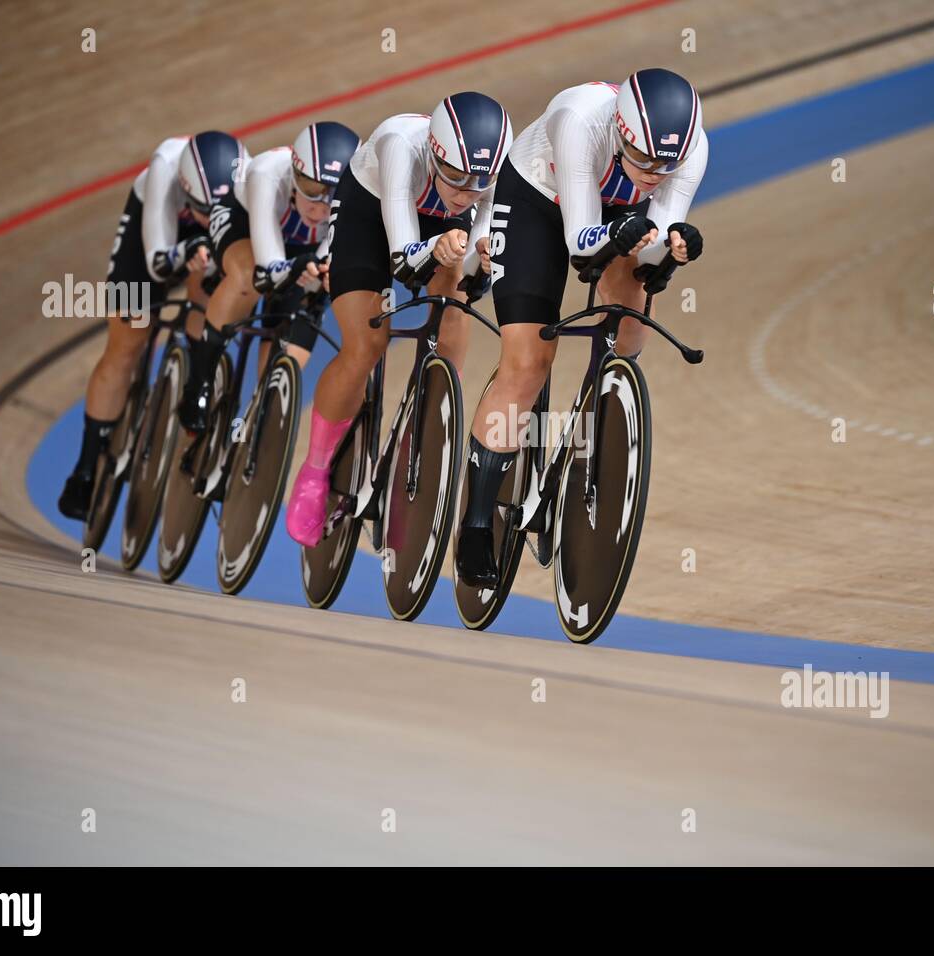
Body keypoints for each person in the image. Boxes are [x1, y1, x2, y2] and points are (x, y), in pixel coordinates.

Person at [454, 69, 708, 587]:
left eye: (667, 167)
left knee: (631, 333)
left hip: (615, 213)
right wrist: (629, 233)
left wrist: (673, 248)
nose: (656, 175)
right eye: (643, 161)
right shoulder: (579, 122)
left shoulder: (692, 148)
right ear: (621, 133)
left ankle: (582, 440)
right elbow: (582, 246)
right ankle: (477, 522)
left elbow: (652, 241)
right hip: (535, 201)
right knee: (528, 364)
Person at [282, 92, 514, 548]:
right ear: (435, 152)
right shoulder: (400, 145)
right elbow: (404, 255)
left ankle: (433, 414)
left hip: (438, 226)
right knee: (366, 344)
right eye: (454, 177)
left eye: (477, 184)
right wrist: (442, 249)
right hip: (370, 217)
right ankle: (314, 471)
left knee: (455, 300)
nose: (465, 191)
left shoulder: (494, 175)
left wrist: (479, 258)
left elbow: (481, 243)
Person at [58, 131, 246, 520]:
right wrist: (186, 251)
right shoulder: (164, 171)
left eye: (215, 211)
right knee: (128, 340)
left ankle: (197, 379)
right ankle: (85, 467)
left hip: (210, 238)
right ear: (184, 186)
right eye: (201, 208)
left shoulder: (247, 181)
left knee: (209, 297)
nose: (208, 218)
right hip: (156, 234)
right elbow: (159, 260)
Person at [178, 121, 361, 432]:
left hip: (300, 250)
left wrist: (323, 274)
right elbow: (268, 270)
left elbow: (324, 263)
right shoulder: (267, 173)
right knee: (249, 276)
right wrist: (305, 268)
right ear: (294, 171)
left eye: (332, 194)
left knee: (308, 302)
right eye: (312, 189)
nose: (319, 208)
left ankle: (259, 414)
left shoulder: (355, 201)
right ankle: (200, 379)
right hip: (244, 226)